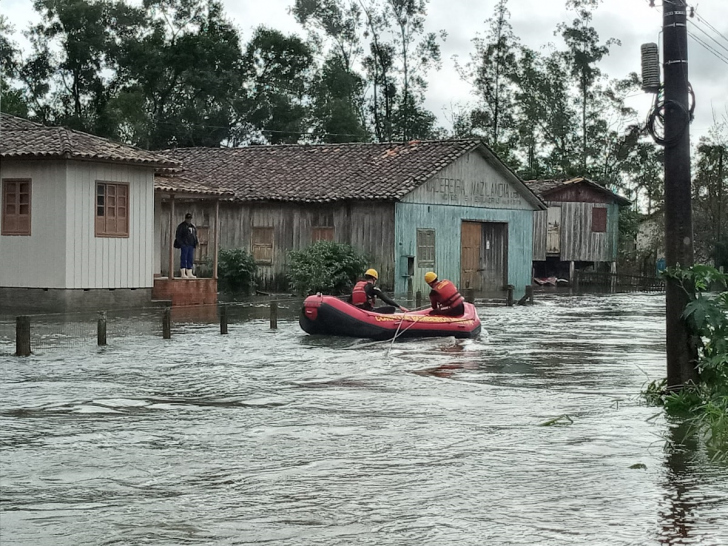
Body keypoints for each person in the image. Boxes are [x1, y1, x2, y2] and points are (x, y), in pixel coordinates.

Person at [175, 213, 199, 278]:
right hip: (184, 244)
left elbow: (195, 236)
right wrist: (181, 243)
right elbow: (178, 236)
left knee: (190, 258)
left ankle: (189, 272)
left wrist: (196, 242)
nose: (189, 220)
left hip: (191, 244)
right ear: (185, 218)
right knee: (184, 258)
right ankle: (183, 273)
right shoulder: (181, 226)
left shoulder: (193, 226)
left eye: (190, 219)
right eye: (188, 218)